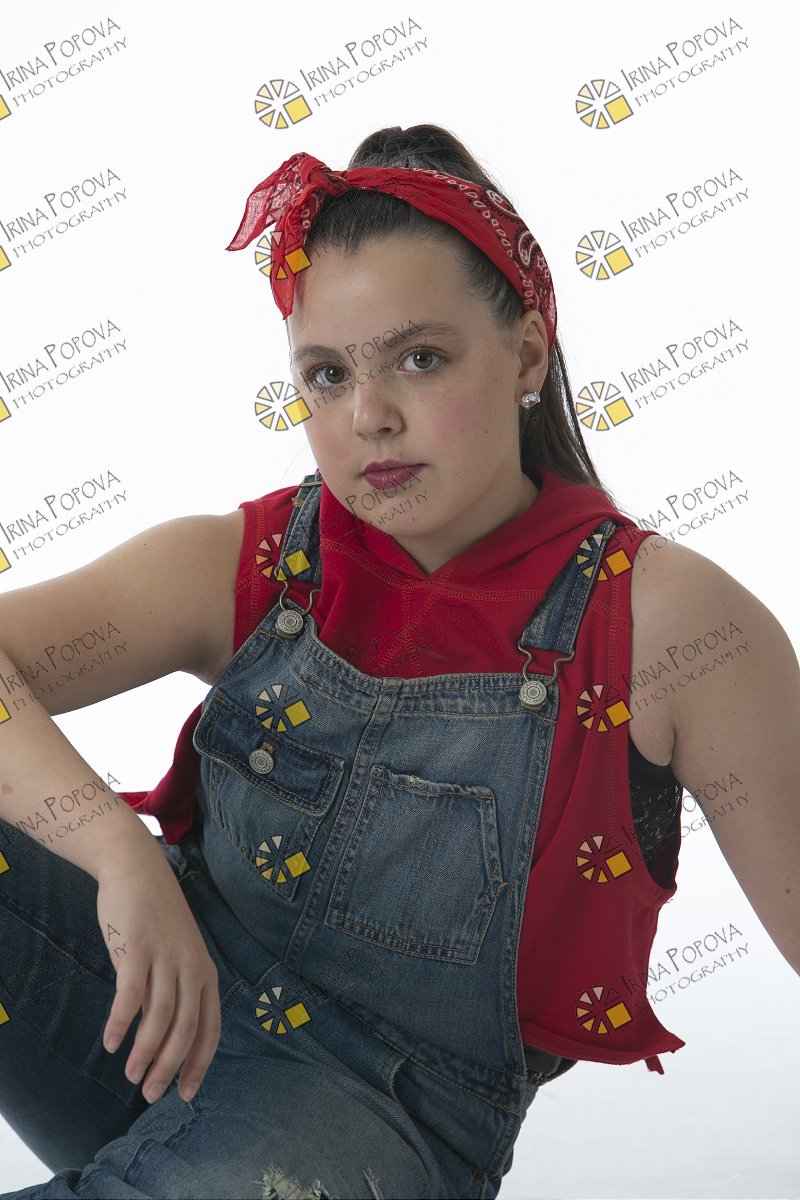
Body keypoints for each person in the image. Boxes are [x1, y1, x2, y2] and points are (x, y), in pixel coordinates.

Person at [0, 123, 797, 1200]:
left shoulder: (662, 623)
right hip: (153, 1013)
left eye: (420, 359)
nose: (369, 417)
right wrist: (119, 856)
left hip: (370, 1121)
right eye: (327, 375)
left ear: (526, 353)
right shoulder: (253, 562)